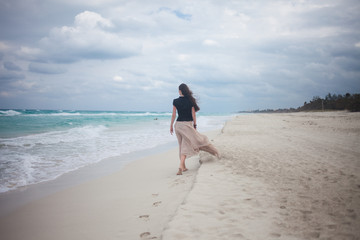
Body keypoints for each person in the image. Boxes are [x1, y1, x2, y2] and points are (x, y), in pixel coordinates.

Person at [170, 83, 219, 175]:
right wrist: (195, 125)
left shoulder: (175, 101)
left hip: (178, 125)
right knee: (199, 140)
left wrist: (171, 126)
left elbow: (173, 115)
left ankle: (183, 167)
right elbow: (193, 114)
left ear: (180, 91)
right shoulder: (190, 100)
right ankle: (181, 166)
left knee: (182, 145)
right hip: (187, 125)